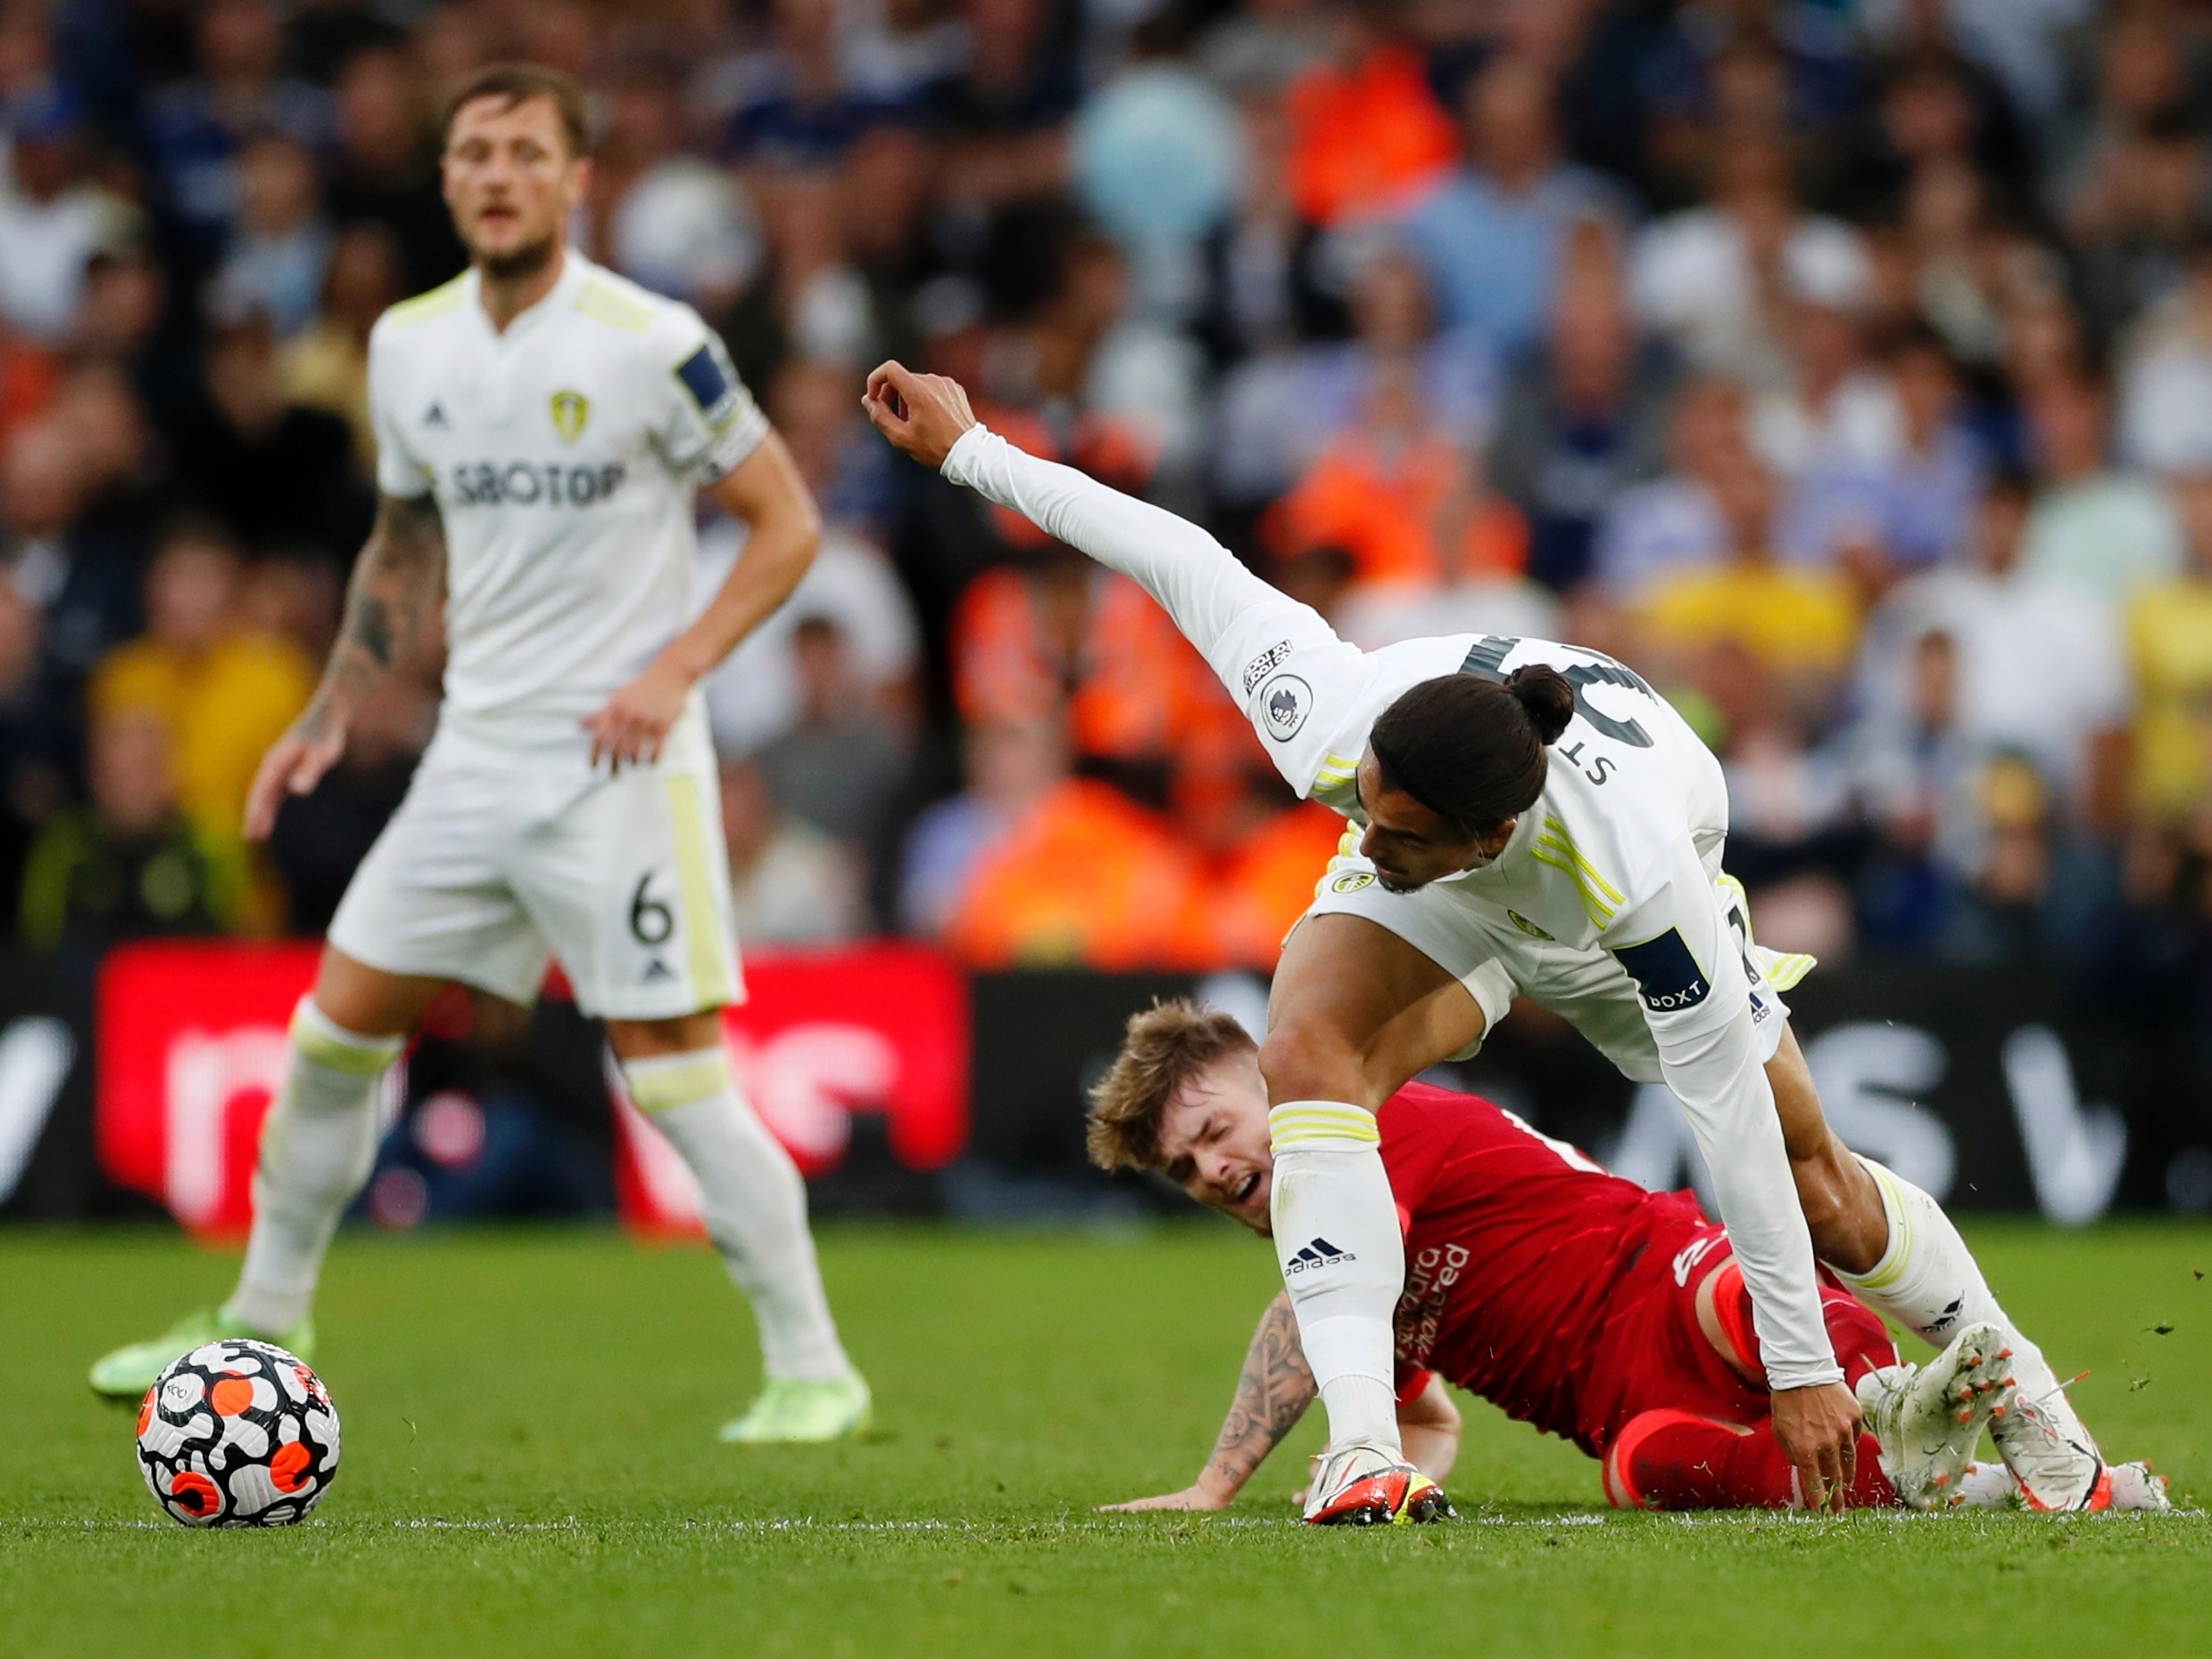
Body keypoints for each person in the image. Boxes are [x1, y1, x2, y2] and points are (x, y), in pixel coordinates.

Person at [864, 360, 2117, 1524]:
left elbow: (1722, 1112)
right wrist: (974, 449)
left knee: (1812, 1179)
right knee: (1306, 1049)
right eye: (1365, 804)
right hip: (1465, 897)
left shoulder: (1636, 871)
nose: (1362, 835)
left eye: (1394, 828)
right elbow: (1175, 555)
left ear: (1487, 826)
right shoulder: (1341, 729)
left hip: (1597, 930)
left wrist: (1798, 1364)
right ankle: (1362, 1454)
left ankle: (2044, 1427)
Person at [89, 65, 872, 1447]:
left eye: (524, 151)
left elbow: (786, 522)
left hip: (619, 769)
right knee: (332, 1038)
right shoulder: (407, 346)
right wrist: (335, 702)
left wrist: (673, 668)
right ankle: (262, 1322)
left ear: (575, 177)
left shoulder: (652, 338)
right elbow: (402, 542)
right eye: (473, 154)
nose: (496, 174)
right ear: (446, 180)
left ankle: (814, 1365)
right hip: (470, 758)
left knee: (678, 1075)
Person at [1083, 1001, 2170, 1516]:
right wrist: (1400, 1464)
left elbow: (1297, 1320)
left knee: (1744, 1298)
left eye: (1216, 1129)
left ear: (1273, 1075)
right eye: (1184, 1169)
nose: (1214, 1170)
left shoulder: (1374, 1125)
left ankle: (1890, 1391)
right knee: (1638, 1467)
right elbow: (1424, 1415)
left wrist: (1214, 1485)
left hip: (1659, 1278)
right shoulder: (1345, 1289)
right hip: (1623, 1404)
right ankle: (1970, 1475)